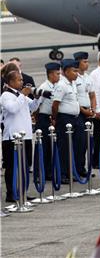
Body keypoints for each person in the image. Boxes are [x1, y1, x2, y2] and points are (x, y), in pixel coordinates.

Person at [1, 69, 39, 202]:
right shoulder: (6, 95)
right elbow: (12, 109)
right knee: (12, 166)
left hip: (25, 135)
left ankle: (22, 191)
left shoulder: (19, 94)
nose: (22, 82)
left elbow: (33, 107)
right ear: (11, 82)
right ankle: (11, 194)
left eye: (22, 79)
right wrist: (23, 95)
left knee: (24, 165)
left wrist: (39, 97)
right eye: (19, 80)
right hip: (12, 137)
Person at [51, 59, 82, 182]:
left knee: (72, 147)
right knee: (64, 147)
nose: (77, 73)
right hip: (64, 119)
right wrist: (54, 119)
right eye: (74, 71)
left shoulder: (72, 83)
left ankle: (70, 172)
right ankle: (63, 174)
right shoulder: (61, 85)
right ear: (66, 72)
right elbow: (55, 104)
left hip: (74, 119)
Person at [33, 62, 61, 181]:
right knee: (43, 146)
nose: (59, 76)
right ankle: (39, 172)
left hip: (52, 119)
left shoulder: (57, 86)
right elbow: (36, 106)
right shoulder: (44, 88)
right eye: (57, 74)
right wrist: (38, 119)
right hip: (44, 119)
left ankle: (49, 171)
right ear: (50, 75)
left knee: (50, 147)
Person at [72, 51, 94, 177]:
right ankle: (76, 169)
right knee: (78, 142)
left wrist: (93, 108)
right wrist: (84, 110)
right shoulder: (74, 78)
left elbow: (92, 94)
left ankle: (82, 168)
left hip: (88, 112)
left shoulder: (88, 77)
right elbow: (74, 98)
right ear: (78, 62)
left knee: (85, 142)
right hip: (79, 112)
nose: (87, 64)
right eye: (84, 61)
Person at [88, 51, 100, 169]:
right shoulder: (95, 75)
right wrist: (97, 110)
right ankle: (96, 161)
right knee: (98, 138)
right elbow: (94, 94)